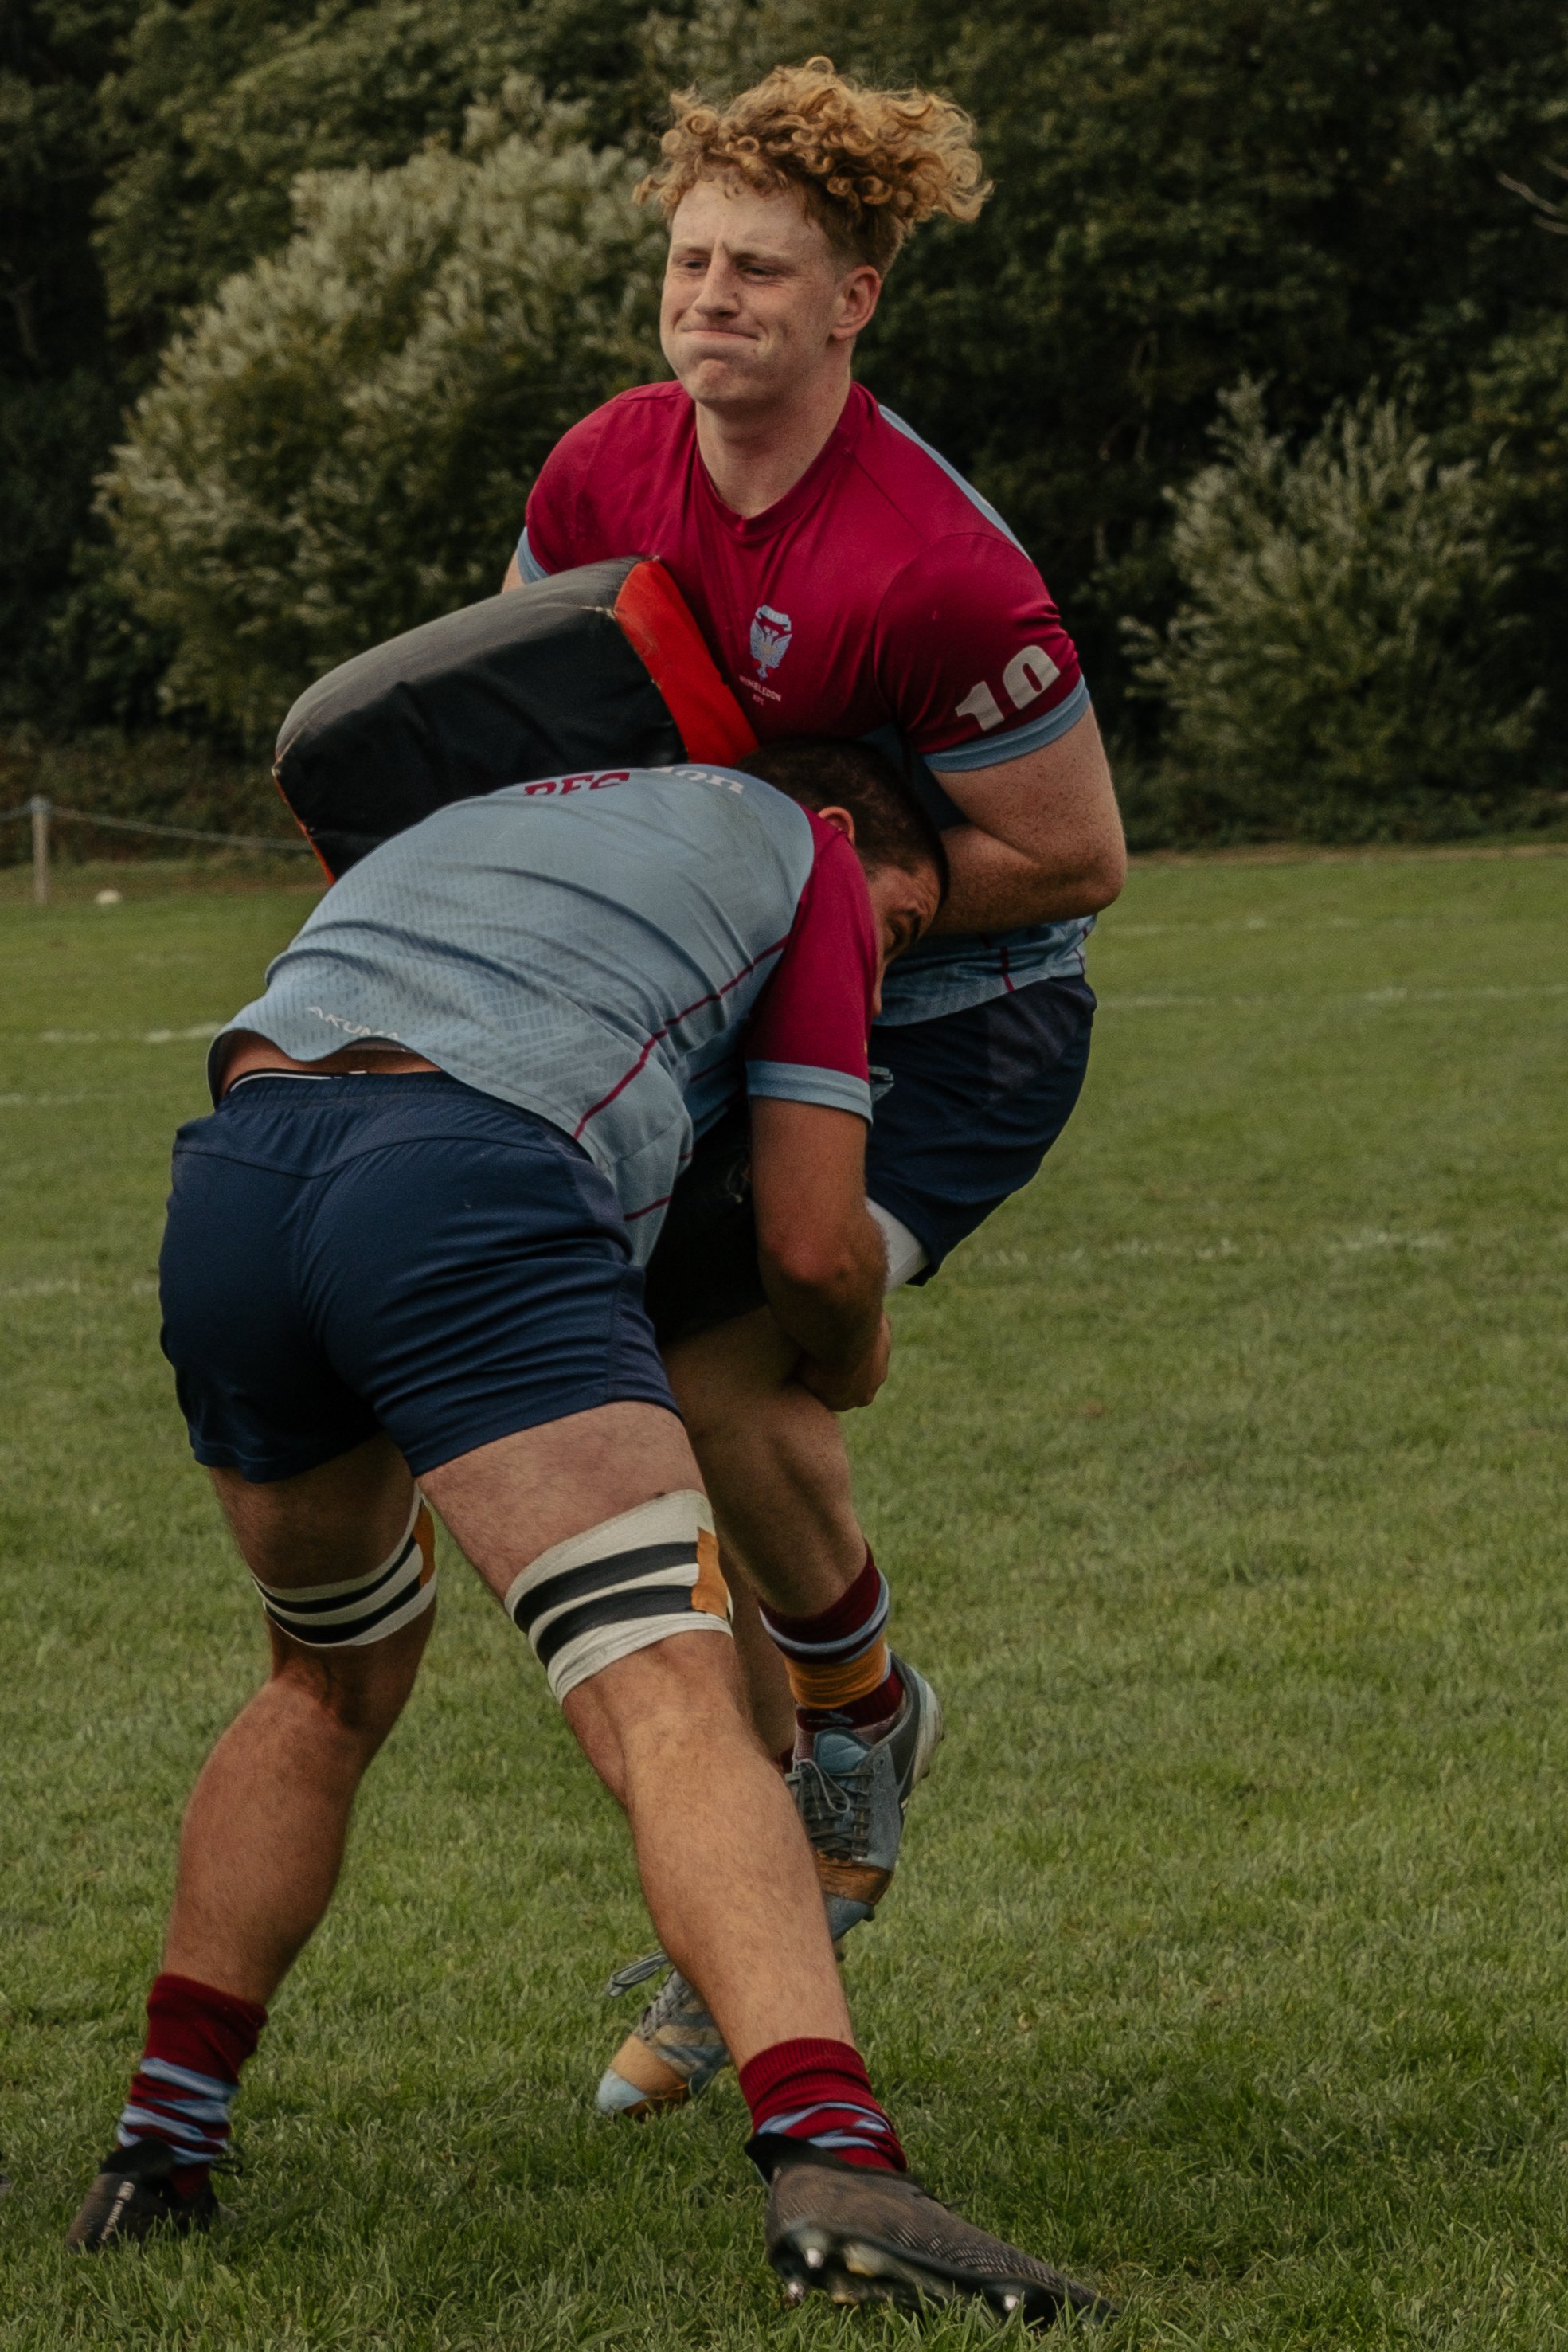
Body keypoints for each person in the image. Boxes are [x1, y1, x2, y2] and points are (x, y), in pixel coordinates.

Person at [63, 737, 1112, 2322]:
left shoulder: (493, 807)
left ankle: (159, 2150)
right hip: (460, 1177)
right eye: (902, 933)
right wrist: (848, 1357)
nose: (884, 961)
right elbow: (817, 1248)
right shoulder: (817, 856)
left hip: (235, 1184)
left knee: (322, 1684)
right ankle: (839, 2164)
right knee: (667, 1696)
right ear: (855, 838)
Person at [501, 59, 1127, 2111]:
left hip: (963, 1013)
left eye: (758, 271)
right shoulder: (603, 466)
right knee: (634, 1413)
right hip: (728, 993)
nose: (711, 301)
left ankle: (849, 1753)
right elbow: (523, 708)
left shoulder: (941, 564)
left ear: (852, 297)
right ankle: (785, 1853)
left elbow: (1072, 860)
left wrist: (822, 908)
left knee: (718, 1375)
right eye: (688, 262)